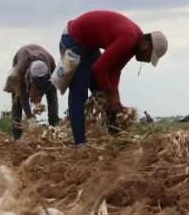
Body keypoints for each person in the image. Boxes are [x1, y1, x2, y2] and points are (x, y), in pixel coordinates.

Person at [59, 10, 167, 146]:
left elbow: (115, 70)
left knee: (102, 92)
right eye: (149, 56)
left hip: (89, 45)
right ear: (145, 45)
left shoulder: (133, 44)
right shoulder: (128, 38)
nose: (147, 61)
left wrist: (115, 98)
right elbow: (98, 68)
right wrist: (111, 94)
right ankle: (80, 144)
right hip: (73, 39)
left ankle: (115, 136)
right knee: (79, 92)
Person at [6, 44, 59, 141]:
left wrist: (39, 95)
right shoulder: (22, 70)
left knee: (52, 95)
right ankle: (16, 134)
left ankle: (53, 126)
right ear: (30, 74)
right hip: (20, 57)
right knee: (16, 99)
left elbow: (51, 85)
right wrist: (30, 119)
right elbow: (23, 96)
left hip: (45, 57)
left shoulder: (49, 66)